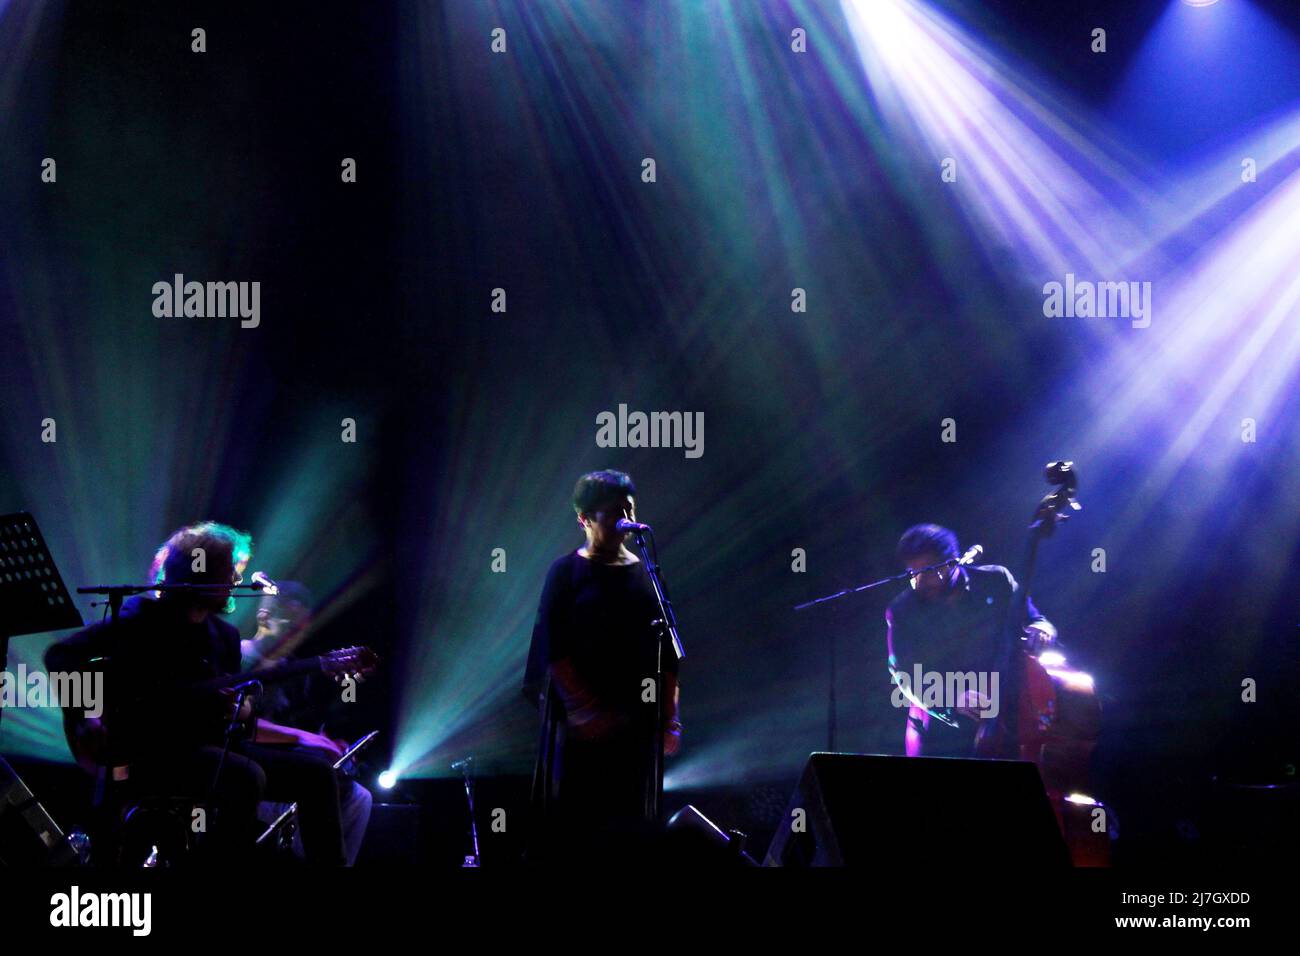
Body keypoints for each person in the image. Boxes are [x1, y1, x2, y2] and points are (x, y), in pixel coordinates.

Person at [46, 522, 348, 865]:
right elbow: (60, 656)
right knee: (245, 776)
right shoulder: (139, 618)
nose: (235, 582)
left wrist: (241, 709)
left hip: (208, 749)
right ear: (197, 574)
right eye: (228, 572)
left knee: (317, 775)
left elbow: (235, 720)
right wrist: (84, 715)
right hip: (148, 752)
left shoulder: (225, 636)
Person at [523, 470, 681, 860]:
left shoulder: (646, 574)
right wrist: (585, 710)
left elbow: (668, 654)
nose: (625, 517)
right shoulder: (565, 572)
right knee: (575, 840)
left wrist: (669, 719)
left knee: (629, 842)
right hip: (580, 733)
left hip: (634, 730)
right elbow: (551, 647)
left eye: (629, 507)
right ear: (585, 519)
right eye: (613, 511)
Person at [883, 523, 1055, 758]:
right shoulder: (902, 610)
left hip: (1006, 720)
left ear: (954, 561)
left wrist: (1041, 627)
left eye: (929, 571)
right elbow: (903, 674)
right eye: (912, 573)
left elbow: (1035, 618)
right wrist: (952, 699)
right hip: (940, 734)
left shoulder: (996, 580)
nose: (919, 581)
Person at [241, 581, 372, 865]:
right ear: (264, 616)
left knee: (360, 797)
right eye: (288, 622)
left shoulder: (297, 673)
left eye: (301, 627)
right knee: (313, 785)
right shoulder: (241, 656)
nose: (295, 633)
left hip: (286, 768)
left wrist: (328, 743)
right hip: (249, 770)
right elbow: (242, 727)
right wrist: (305, 740)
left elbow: (303, 725)